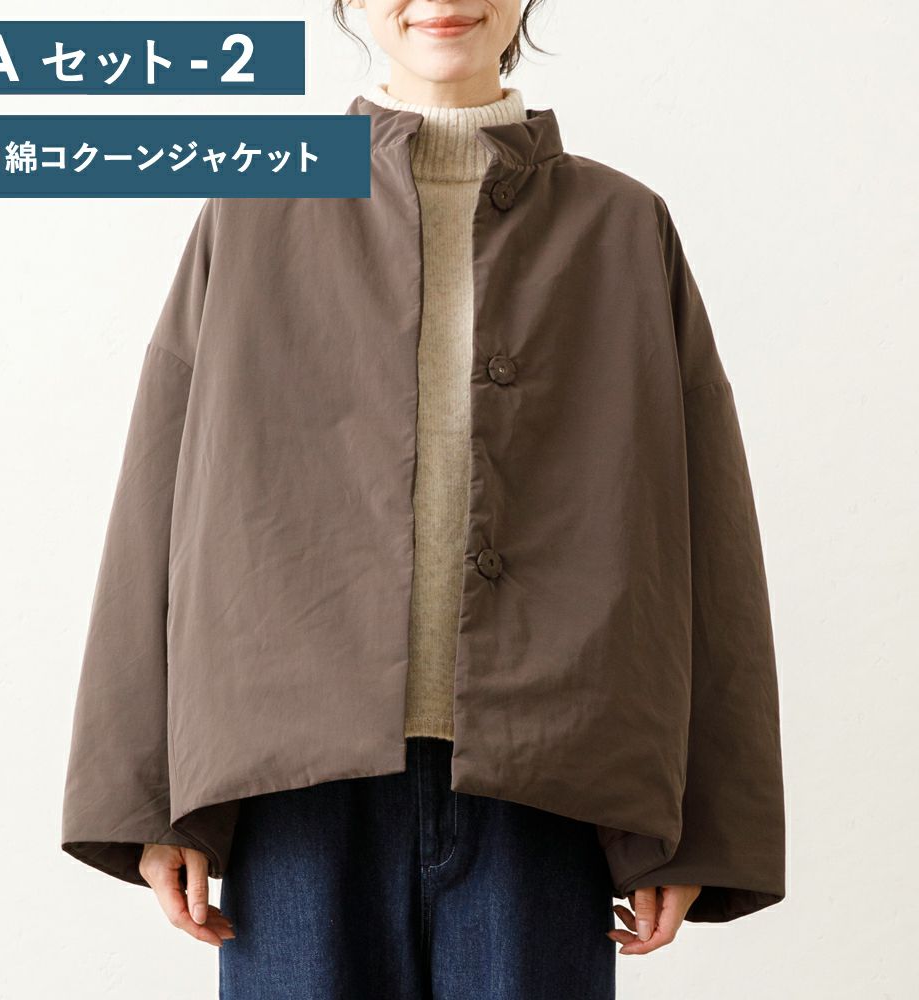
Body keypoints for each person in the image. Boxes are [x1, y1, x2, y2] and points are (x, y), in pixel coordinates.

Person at [61, 3, 786, 997]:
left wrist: (700, 822)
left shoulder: (623, 226)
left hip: (549, 774)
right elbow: (158, 500)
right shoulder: (253, 207)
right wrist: (148, 798)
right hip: (297, 778)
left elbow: (704, 527)